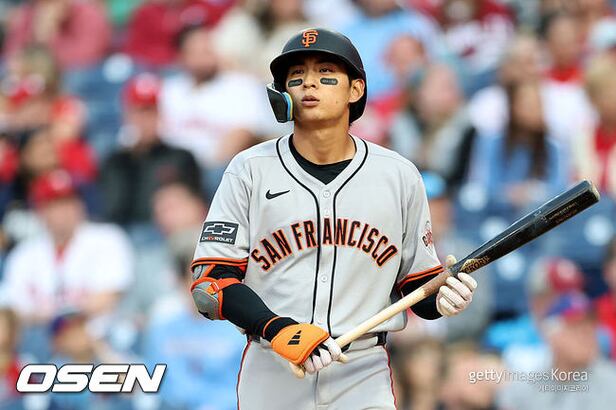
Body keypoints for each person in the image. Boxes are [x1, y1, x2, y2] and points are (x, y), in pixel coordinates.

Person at [189, 28, 478, 409]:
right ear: (282, 94)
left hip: (361, 369)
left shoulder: (398, 175)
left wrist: (442, 297)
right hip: (273, 366)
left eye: (326, 73)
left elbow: (417, 285)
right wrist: (278, 329)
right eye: (297, 76)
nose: (309, 83)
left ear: (355, 90)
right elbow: (211, 285)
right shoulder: (249, 169)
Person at [0, 170, 133, 330]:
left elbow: (110, 296)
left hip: (97, 332)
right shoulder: (24, 254)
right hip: (40, 336)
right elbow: (13, 309)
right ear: (40, 211)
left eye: (70, 202)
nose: (65, 211)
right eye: (55, 204)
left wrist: (58, 316)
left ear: (81, 205)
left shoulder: (108, 238)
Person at [159, 24, 274, 197]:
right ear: (182, 57)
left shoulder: (241, 85)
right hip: (173, 169)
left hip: (218, 169)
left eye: (208, 49)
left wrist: (207, 166)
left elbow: (247, 132)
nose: (207, 58)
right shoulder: (169, 90)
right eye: (198, 52)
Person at [100, 73, 201, 226]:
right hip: (126, 234)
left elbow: (197, 207)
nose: (146, 119)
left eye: (151, 111)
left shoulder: (181, 158)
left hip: (170, 232)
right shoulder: (116, 162)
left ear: (160, 114)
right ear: (127, 116)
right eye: (139, 112)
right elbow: (113, 211)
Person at [498, 292, 616, 410]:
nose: (587, 334)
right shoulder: (526, 388)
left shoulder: (611, 382)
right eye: (576, 326)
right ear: (552, 334)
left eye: (591, 326)